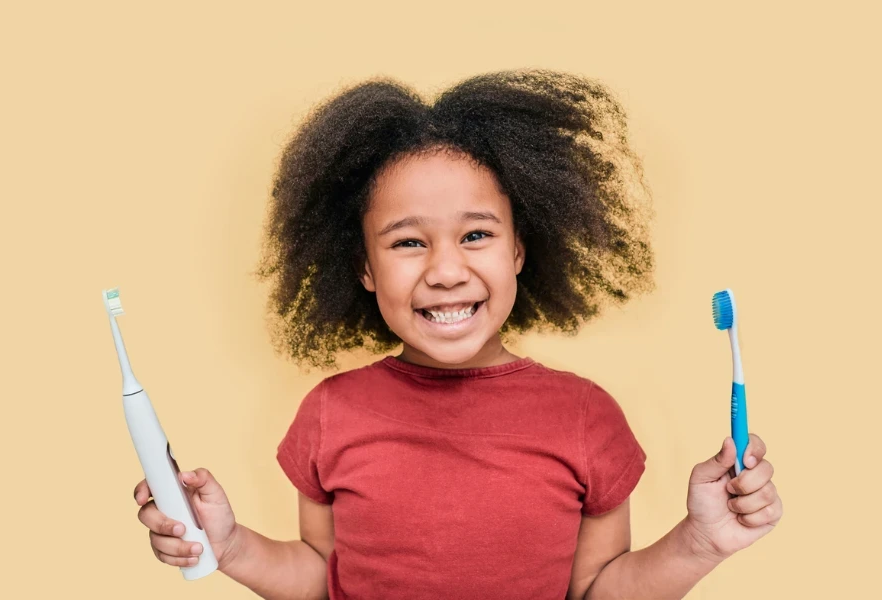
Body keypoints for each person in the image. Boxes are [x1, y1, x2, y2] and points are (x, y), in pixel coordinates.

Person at [133, 69, 782, 599]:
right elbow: (321, 580)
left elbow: (598, 594)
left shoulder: (586, 418)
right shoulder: (331, 415)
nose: (446, 271)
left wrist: (701, 540)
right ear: (362, 266)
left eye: (476, 235)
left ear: (521, 250)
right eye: (408, 242)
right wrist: (229, 545)